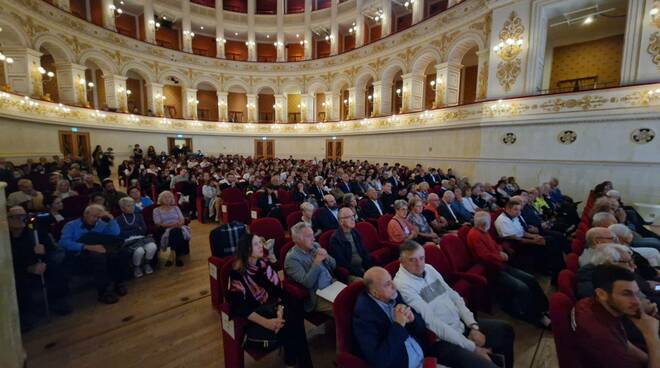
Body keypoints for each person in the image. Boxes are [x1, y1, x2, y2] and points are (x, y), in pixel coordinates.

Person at [394, 240, 515, 368]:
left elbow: (453, 295)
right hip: (441, 340)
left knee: (505, 330)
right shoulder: (402, 285)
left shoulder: (429, 268)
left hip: (460, 324)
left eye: (421, 258)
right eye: (412, 260)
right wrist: (473, 348)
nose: (419, 264)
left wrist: (473, 326)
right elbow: (432, 322)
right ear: (401, 261)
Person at [227, 234, 313, 367]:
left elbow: (276, 291)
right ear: (247, 249)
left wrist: (280, 310)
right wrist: (268, 323)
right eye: (256, 244)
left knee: (294, 308)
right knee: (293, 321)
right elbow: (240, 307)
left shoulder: (262, 265)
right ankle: (298, 362)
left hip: (271, 307)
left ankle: (294, 361)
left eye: (260, 242)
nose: (261, 246)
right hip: (256, 315)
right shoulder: (237, 274)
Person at [467, 212, 550, 328]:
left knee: (530, 279)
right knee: (522, 287)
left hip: (502, 265)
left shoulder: (484, 232)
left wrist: (500, 251)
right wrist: (500, 256)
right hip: (492, 270)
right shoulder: (474, 235)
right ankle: (536, 316)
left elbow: (495, 245)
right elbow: (484, 257)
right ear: (481, 224)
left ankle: (544, 308)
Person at [573, 265, 660, 368]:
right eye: (626, 294)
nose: (637, 302)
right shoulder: (603, 338)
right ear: (601, 294)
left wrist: (650, 358)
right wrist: (652, 337)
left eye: (636, 294)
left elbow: (623, 341)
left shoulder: (591, 304)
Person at [353, 267, 429, 368]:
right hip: (406, 364)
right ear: (375, 293)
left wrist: (412, 319)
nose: (394, 286)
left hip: (425, 353)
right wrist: (398, 325)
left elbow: (421, 328)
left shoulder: (393, 295)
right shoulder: (364, 316)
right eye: (387, 284)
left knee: (454, 353)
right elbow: (379, 360)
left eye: (391, 280)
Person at [9, 206, 71, 331]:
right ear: (8, 220)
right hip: (18, 269)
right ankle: (26, 314)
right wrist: (28, 269)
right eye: (16, 216)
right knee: (18, 282)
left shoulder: (35, 232)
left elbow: (52, 250)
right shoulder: (6, 239)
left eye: (23, 216)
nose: (21, 219)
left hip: (40, 264)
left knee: (55, 269)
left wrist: (43, 253)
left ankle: (58, 301)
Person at [59, 204, 130, 304]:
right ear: (85, 214)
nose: (96, 219)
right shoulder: (71, 225)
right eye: (94, 216)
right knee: (97, 257)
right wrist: (86, 246)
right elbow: (63, 243)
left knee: (121, 253)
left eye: (99, 217)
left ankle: (119, 283)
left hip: (102, 250)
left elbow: (115, 233)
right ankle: (104, 292)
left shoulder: (101, 223)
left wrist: (111, 220)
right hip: (80, 254)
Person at [284, 222, 336, 313]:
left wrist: (327, 256)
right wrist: (317, 262)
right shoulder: (292, 259)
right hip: (318, 296)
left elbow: (334, 265)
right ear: (298, 240)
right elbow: (307, 283)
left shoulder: (315, 246)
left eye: (313, 235)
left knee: (355, 301)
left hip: (332, 285)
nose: (314, 239)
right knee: (345, 309)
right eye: (309, 236)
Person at [328, 207, 373, 281]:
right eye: (349, 217)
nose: (353, 219)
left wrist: (369, 268)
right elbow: (342, 263)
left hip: (363, 267)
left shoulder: (355, 232)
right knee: (364, 283)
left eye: (353, 216)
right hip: (351, 273)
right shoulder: (335, 239)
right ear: (341, 221)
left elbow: (364, 251)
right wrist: (361, 273)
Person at [117, 197, 157, 278]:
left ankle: (146, 263)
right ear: (122, 208)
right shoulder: (118, 219)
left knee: (153, 247)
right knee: (139, 251)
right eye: (128, 206)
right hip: (128, 241)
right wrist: (136, 230)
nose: (132, 207)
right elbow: (121, 233)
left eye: (133, 205)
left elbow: (144, 229)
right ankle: (137, 267)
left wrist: (130, 231)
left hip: (141, 238)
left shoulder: (139, 216)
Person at [153, 191, 190, 267]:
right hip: (165, 229)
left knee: (176, 231)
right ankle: (177, 257)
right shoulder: (156, 210)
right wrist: (173, 225)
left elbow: (182, 219)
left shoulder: (176, 208)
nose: (167, 199)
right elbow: (158, 223)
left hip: (179, 227)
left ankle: (171, 256)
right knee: (175, 232)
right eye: (165, 197)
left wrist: (179, 224)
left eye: (169, 197)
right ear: (160, 199)